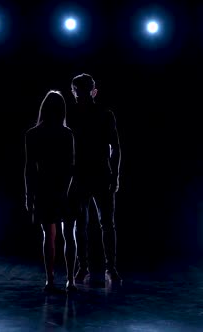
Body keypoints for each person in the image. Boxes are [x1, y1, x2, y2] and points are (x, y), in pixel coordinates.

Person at [67, 73, 122, 283]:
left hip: (96, 174)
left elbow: (115, 147)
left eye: (81, 91)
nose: (79, 95)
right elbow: (115, 148)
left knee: (103, 223)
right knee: (90, 224)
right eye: (77, 91)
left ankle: (105, 268)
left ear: (93, 91)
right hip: (83, 175)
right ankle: (91, 267)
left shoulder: (103, 114)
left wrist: (115, 174)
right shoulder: (73, 114)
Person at [25, 90, 77, 293]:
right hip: (65, 187)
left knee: (49, 236)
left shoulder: (33, 134)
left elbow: (29, 167)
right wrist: (67, 188)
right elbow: (71, 165)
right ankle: (70, 280)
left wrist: (29, 194)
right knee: (69, 235)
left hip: (44, 187)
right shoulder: (67, 133)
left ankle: (50, 279)